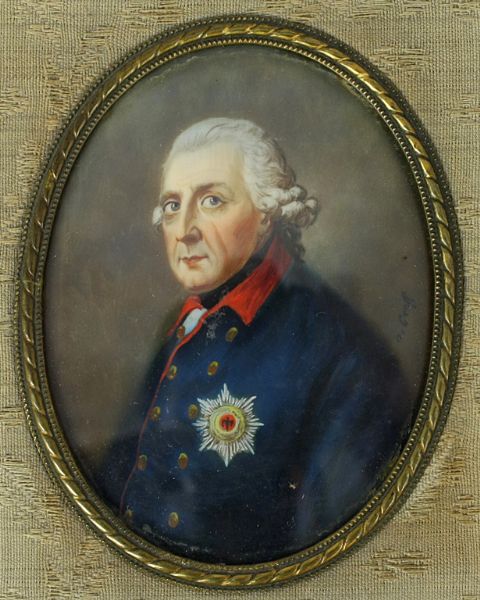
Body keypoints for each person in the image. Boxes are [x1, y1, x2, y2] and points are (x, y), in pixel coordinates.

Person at [100, 118, 414, 564]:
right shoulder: (183, 320)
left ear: (268, 212)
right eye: (172, 205)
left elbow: (328, 553)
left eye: (212, 200)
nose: (184, 228)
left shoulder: (342, 352)